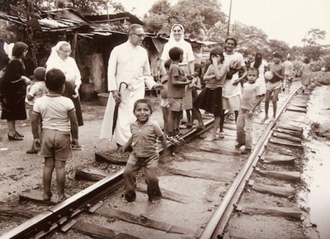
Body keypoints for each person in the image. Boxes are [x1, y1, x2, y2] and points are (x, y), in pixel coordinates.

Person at [100, 24, 161, 148]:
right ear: (130, 34)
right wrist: (113, 90)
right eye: (139, 35)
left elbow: (146, 74)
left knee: (136, 115)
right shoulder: (118, 50)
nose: (142, 38)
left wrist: (154, 85)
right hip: (122, 90)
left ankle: (134, 144)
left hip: (138, 89)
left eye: (143, 35)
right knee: (122, 118)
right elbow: (110, 71)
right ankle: (121, 145)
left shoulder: (144, 52)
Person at [31, 68, 79, 202]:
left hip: (46, 134)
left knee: (47, 165)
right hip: (62, 135)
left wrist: (36, 137)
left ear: (46, 85)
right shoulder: (67, 102)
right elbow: (74, 122)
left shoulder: (39, 102)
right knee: (60, 167)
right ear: (63, 86)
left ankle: (46, 194)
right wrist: (75, 137)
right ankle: (61, 195)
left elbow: (34, 121)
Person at [120, 99, 168, 203]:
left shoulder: (154, 125)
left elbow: (162, 138)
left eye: (146, 110)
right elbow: (134, 137)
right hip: (136, 155)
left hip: (151, 157)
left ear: (151, 112)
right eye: (138, 110)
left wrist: (165, 151)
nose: (142, 112)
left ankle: (154, 195)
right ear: (134, 112)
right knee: (127, 173)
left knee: (151, 179)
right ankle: (129, 195)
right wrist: (125, 146)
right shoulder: (132, 125)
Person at [160, 24, 195, 127]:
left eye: (178, 30)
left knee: (185, 99)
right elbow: (163, 61)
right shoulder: (167, 45)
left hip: (184, 71)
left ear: (182, 31)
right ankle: (172, 125)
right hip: (171, 70)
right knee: (173, 98)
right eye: (174, 31)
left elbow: (191, 61)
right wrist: (166, 74)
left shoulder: (187, 45)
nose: (176, 33)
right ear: (172, 32)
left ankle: (181, 123)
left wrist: (192, 77)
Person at [45, 41, 83, 127]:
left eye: (69, 51)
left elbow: (77, 75)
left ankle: (73, 136)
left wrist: (77, 86)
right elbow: (50, 77)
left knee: (73, 115)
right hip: (59, 90)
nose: (67, 53)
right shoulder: (53, 61)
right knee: (61, 114)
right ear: (58, 51)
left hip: (72, 89)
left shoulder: (71, 61)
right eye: (65, 51)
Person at [193, 48, 228, 141]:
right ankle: (201, 123)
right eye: (213, 56)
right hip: (208, 88)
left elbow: (219, 76)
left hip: (217, 89)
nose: (215, 58)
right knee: (195, 105)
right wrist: (212, 76)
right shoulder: (210, 66)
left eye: (217, 56)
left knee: (217, 113)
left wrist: (216, 66)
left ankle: (213, 134)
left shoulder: (224, 66)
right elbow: (204, 78)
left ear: (221, 57)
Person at [1, 42, 31, 140]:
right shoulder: (14, 62)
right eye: (24, 51)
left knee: (13, 113)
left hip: (15, 92)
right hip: (11, 92)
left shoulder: (18, 60)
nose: (26, 52)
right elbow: (11, 77)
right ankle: (11, 132)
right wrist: (23, 78)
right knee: (10, 113)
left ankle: (13, 131)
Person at [167, 46, 192, 143]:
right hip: (174, 95)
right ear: (180, 56)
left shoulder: (175, 67)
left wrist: (186, 78)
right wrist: (187, 83)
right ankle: (170, 134)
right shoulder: (175, 67)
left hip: (178, 95)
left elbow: (178, 79)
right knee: (173, 114)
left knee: (177, 115)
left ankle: (175, 133)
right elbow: (174, 81)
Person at [236, 67, 263, 154]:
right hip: (242, 109)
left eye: (253, 76)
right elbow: (243, 96)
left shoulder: (257, 86)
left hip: (249, 110)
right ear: (247, 76)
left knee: (248, 129)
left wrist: (253, 109)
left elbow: (259, 98)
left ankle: (248, 147)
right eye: (250, 75)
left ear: (257, 77)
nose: (251, 77)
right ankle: (241, 141)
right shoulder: (245, 84)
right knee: (239, 126)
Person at [222, 37, 247, 128]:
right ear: (225, 44)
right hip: (223, 83)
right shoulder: (221, 55)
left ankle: (238, 130)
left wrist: (239, 80)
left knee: (237, 109)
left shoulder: (238, 56)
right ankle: (221, 130)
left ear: (235, 46)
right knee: (222, 109)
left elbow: (245, 71)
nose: (230, 45)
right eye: (228, 43)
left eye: (232, 44)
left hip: (234, 84)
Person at [26, 67, 48, 154]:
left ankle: (36, 145)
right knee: (43, 125)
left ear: (34, 76)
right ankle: (44, 144)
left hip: (34, 107)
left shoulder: (34, 86)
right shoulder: (45, 85)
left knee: (35, 125)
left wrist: (27, 89)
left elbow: (29, 97)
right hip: (44, 106)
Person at [262, 52, 284, 122]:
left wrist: (276, 74)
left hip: (277, 84)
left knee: (274, 100)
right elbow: (266, 74)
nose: (275, 59)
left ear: (280, 59)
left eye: (277, 57)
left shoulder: (282, 66)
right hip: (269, 83)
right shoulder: (270, 65)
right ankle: (266, 115)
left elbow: (282, 78)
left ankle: (274, 115)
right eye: (274, 57)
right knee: (266, 100)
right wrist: (265, 81)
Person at [159, 59, 171, 139]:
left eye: (169, 69)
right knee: (165, 118)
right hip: (163, 100)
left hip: (170, 100)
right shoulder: (164, 78)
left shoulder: (174, 79)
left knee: (170, 118)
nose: (167, 70)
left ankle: (170, 133)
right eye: (166, 69)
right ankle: (166, 133)